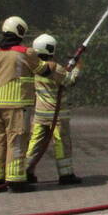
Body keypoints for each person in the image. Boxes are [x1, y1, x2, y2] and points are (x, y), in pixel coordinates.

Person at [0, 16, 40, 192]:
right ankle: (16, 182)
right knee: (17, 142)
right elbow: (44, 70)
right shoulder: (25, 52)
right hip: (17, 106)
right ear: (20, 32)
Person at [25, 33, 83, 185]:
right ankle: (66, 175)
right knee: (61, 143)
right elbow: (70, 81)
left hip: (39, 115)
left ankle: (25, 172)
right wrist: (77, 67)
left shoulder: (35, 67)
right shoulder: (54, 68)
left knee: (35, 143)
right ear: (51, 49)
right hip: (57, 116)